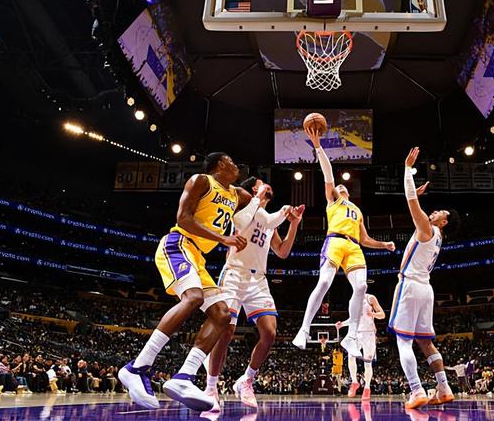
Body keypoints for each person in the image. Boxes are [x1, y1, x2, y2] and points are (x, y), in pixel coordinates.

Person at [119, 152, 263, 411]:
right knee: (193, 297)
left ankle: (184, 377)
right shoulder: (202, 181)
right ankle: (136, 368)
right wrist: (224, 239)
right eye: (232, 162)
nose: (236, 166)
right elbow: (183, 219)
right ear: (220, 164)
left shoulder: (236, 194)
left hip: (198, 258)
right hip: (179, 244)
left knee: (222, 315)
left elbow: (254, 201)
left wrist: (261, 192)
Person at [293, 125, 395, 358]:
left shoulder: (357, 211)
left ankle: (351, 337)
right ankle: (304, 329)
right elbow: (328, 173)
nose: (338, 186)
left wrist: (384, 245)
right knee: (324, 282)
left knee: (361, 287)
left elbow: (365, 239)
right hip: (335, 242)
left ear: (348, 191)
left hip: (354, 247)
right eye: (337, 186)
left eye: (342, 186)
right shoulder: (334, 201)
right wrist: (318, 146)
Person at [204, 177, 304, 411]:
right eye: (262, 184)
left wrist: (294, 223)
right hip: (234, 273)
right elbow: (251, 219)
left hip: (258, 279)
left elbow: (282, 252)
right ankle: (211, 386)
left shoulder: (269, 221)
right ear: (253, 189)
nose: (268, 185)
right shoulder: (243, 208)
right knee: (226, 331)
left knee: (269, 332)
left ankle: (246, 380)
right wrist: (265, 202)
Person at [391, 147, 460, 409]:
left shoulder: (429, 229)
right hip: (425, 289)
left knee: (403, 340)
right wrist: (414, 195)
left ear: (444, 222)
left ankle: (417, 390)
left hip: (410, 285)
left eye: (441, 212)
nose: (436, 211)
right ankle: (444, 388)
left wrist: (407, 169)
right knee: (425, 342)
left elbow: (411, 204)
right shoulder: (435, 236)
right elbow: (414, 205)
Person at [335, 293, 385, 400]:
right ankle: (354, 382)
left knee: (367, 363)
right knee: (351, 356)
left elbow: (382, 315)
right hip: (356, 333)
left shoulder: (370, 298)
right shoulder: (352, 299)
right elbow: (353, 319)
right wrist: (342, 324)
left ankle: (367, 388)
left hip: (368, 333)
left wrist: (373, 314)